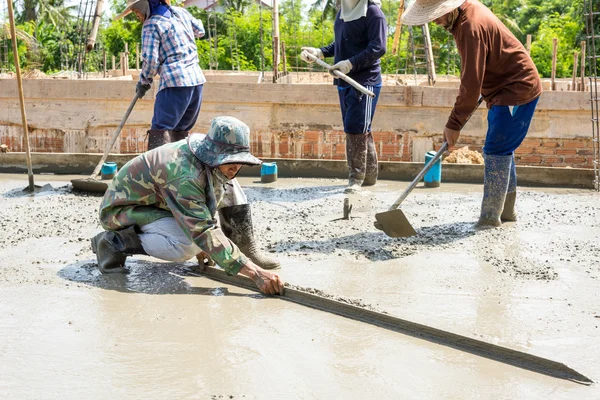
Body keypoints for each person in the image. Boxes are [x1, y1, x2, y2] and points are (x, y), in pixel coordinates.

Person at [91, 116, 284, 295]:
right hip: (122, 211)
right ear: (213, 156)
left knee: (230, 183)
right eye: (230, 161)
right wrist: (255, 273)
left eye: (240, 161)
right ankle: (113, 242)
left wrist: (216, 250)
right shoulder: (184, 175)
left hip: (160, 204)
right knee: (186, 245)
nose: (236, 168)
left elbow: (203, 207)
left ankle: (244, 248)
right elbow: (202, 230)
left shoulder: (205, 158)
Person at [402, 0, 542, 227]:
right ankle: (506, 213)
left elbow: (470, 83)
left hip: (515, 90)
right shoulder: (467, 12)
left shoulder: (469, 27)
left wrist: (453, 124)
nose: (435, 21)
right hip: (502, 89)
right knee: (503, 149)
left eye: (437, 15)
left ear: (450, 8)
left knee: (496, 149)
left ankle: (490, 218)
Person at [300, 0, 387, 193]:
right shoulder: (342, 13)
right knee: (359, 126)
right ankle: (370, 176)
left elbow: (378, 47)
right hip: (343, 80)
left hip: (364, 81)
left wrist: (351, 64)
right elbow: (340, 45)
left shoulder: (373, 13)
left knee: (356, 127)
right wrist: (320, 52)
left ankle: (356, 179)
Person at [116, 0, 206, 150]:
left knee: (161, 130)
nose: (138, 16)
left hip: (175, 82)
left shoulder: (151, 25)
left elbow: (151, 61)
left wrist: (144, 82)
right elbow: (200, 31)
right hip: (196, 82)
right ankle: (178, 171)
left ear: (146, 5)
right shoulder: (181, 13)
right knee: (180, 132)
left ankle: (156, 172)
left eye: (137, 11)